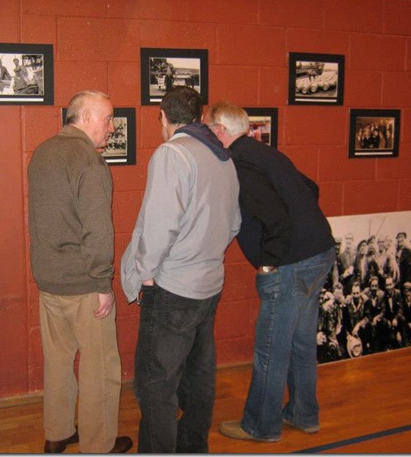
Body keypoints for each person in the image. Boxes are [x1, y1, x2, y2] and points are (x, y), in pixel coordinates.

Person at [205, 101, 335, 442]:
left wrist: (270, 260)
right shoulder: (267, 153)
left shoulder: (240, 162)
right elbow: (311, 188)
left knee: (271, 347)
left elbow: (275, 217)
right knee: (301, 341)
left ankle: (260, 425)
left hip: (291, 263)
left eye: (208, 129)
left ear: (220, 130)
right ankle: (304, 415)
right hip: (319, 252)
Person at [120, 86, 241, 453]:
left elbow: (160, 225)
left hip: (173, 289)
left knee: (156, 385)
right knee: (198, 380)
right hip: (208, 285)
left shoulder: (173, 153)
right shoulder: (222, 157)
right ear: (199, 116)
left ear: (163, 116)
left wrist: (144, 273)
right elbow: (234, 223)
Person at [27, 90, 132, 454]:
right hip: (85, 283)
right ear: (86, 118)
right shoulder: (89, 161)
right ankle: (99, 445)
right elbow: (98, 229)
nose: (112, 127)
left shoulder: (42, 152)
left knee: (57, 362)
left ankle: (57, 433)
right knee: (100, 369)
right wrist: (103, 283)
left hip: (49, 279)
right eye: (107, 119)